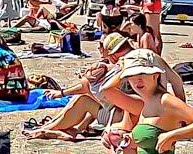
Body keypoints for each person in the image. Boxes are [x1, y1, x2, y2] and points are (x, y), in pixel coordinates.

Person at [33, 34, 185, 141]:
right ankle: (60, 127)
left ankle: (51, 128)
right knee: (88, 98)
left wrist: (88, 81)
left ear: (112, 55)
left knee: (83, 100)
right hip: (158, 113)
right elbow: (177, 81)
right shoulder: (151, 56)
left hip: (135, 117)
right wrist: (180, 115)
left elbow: (104, 93)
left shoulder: (125, 65)